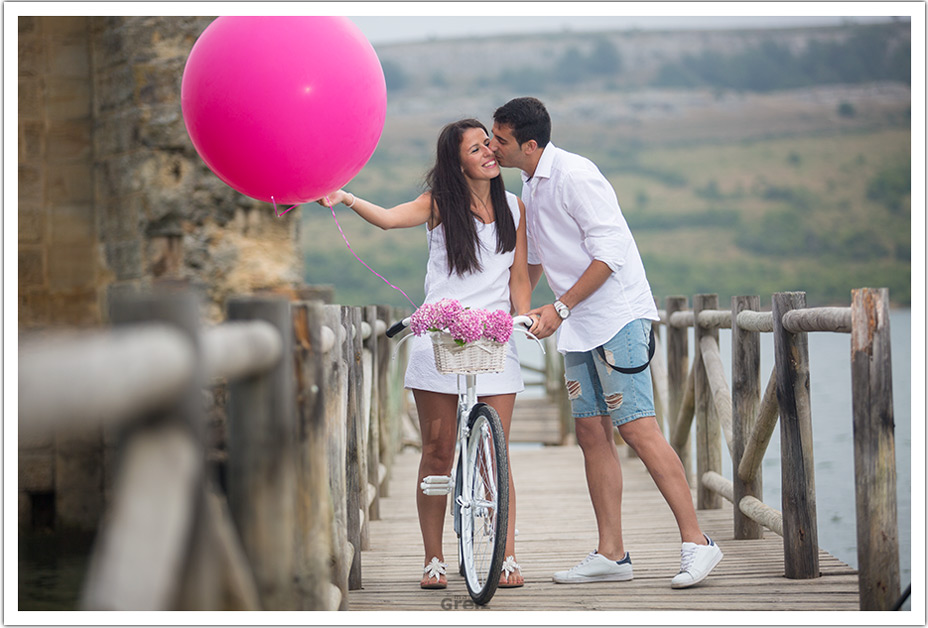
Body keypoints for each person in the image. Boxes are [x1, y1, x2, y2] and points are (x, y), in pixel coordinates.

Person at [489, 97, 723, 589]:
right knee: (591, 434)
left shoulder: (576, 175)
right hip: (579, 326)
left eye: (501, 139)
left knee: (638, 429)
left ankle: (698, 543)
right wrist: (522, 308)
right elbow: (537, 261)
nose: (493, 146)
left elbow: (611, 253)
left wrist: (560, 307)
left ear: (529, 145)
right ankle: (612, 555)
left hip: (617, 318)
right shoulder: (531, 182)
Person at [321, 119, 530, 589]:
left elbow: (518, 278)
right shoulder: (440, 205)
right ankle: (433, 557)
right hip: (439, 340)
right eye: (477, 149)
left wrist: (526, 316)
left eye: (489, 145)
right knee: (437, 454)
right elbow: (391, 217)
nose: (489, 154)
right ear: (457, 162)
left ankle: (506, 553)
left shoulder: (516, 207)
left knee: (496, 458)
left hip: (495, 341)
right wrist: (346, 197)